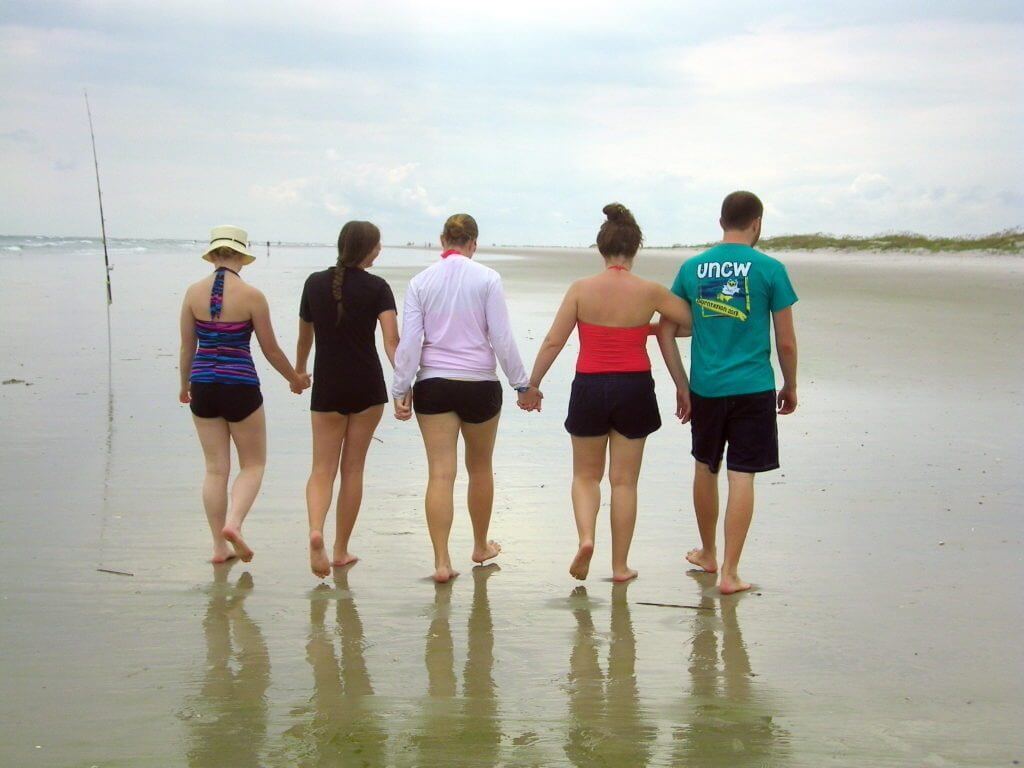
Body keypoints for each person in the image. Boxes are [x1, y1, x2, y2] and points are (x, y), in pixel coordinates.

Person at [526, 204, 692, 582]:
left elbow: (554, 341)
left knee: (586, 476)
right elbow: (690, 323)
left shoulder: (581, 290)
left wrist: (532, 385)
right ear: (634, 250)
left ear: (601, 249)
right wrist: (648, 330)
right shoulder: (650, 291)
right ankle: (619, 566)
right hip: (634, 387)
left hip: (589, 386)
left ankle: (586, 538)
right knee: (624, 482)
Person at [657, 191, 799, 594]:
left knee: (706, 466)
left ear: (722, 221)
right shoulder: (771, 269)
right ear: (756, 222)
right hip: (754, 387)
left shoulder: (692, 268)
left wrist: (682, 386)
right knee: (742, 476)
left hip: (707, 387)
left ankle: (707, 552)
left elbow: (664, 329)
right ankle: (731, 572)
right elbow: (786, 342)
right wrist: (790, 384)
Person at [392, 213, 541, 583]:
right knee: (480, 468)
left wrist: (400, 387)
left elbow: (410, 342)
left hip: (434, 383)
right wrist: (521, 384)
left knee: (440, 474)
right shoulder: (487, 278)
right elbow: (501, 337)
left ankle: (442, 561)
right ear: (473, 243)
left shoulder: (420, 282)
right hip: (479, 384)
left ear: (443, 240)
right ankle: (479, 545)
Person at [179, 225, 310, 564]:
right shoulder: (253, 296)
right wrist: (294, 379)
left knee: (214, 469)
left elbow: (186, 347)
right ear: (241, 256)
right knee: (253, 464)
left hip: (203, 385)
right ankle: (234, 524)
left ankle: (219, 548)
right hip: (241, 386)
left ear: (213, 255)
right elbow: (271, 350)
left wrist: (184, 386)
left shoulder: (192, 293)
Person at [296, 221, 399, 578]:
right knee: (352, 469)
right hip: (367, 387)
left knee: (321, 469)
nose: (380, 249)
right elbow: (391, 342)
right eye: (378, 244)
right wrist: (403, 385)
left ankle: (315, 531)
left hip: (328, 386)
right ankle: (340, 550)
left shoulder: (313, 283)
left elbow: (304, 336)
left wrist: (298, 371)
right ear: (368, 249)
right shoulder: (378, 288)